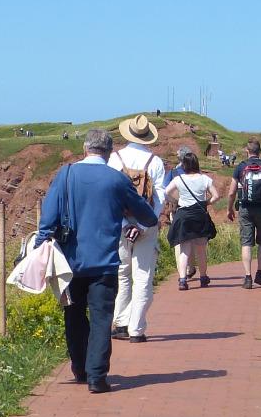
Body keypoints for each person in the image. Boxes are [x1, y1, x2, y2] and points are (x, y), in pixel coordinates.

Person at [35, 128, 158, 393]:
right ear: (109, 151)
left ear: (85, 148)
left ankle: (79, 368)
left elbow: (48, 219)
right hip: (105, 262)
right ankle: (97, 377)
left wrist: (39, 251)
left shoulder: (65, 174)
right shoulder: (117, 180)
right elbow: (149, 217)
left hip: (70, 261)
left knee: (74, 314)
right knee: (103, 318)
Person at [108, 114, 167, 344]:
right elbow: (160, 199)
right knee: (143, 276)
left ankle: (120, 322)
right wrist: (142, 224)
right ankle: (136, 329)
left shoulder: (115, 159)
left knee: (122, 274)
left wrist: (124, 225)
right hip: (146, 224)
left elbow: (109, 197)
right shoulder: (155, 162)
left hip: (119, 224)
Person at [163, 150, 217, 290]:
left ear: (184, 165)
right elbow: (216, 196)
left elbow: (166, 193)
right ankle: (203, 277)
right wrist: (206, 203)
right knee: (200, 250)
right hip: (199, 215)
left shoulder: (178, 179)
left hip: (183, 215)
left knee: (184, 250)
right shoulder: (205, 179)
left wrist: (176, 200)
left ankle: (182, 280)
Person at [227, 138, 261, 289]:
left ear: (247, 151)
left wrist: (229, 209)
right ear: (260, 151)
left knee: (246, 242)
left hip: (245, 208)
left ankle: (248, 277)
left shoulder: (240, 167)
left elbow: (231, 192)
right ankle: (260, 273)